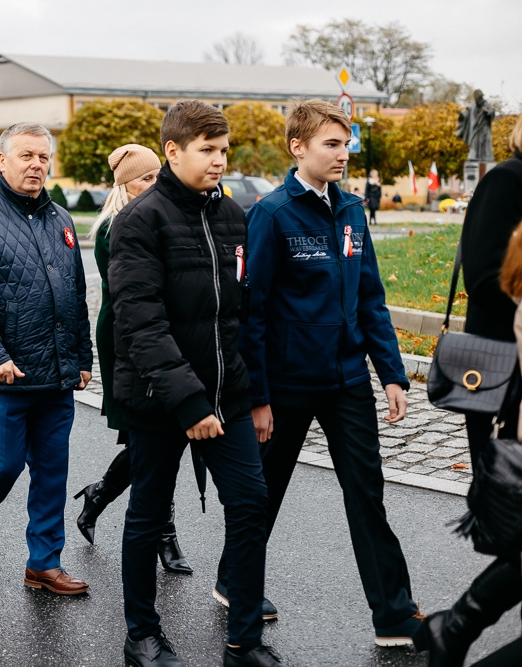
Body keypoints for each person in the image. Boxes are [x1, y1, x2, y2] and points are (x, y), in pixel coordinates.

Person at [238, 99, 422, 649]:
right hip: (287, 385)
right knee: (263, 494)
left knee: (367, 493)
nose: (343, 155)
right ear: (298, 147)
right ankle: (235, 581)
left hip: (347, 382)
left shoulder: (352, 210)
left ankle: (394, 614)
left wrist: (391, 374)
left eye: (346, 145)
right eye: (332, 144)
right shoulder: (271, 214)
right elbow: (252, 312)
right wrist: (258, 397)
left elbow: (371, 299)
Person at [108, 102, 278, 667]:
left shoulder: (231, 215)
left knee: (251, 504)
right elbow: (141, 322)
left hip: (228, 396)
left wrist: (255, 396)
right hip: (159, 399)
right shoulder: (140, 221)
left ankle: (245, 641)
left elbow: (241, 315)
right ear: (173, 151)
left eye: (223, 149)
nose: (219, 160)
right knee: (149, 514)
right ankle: (142, 636)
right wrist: (189, 401)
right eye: (207, 150)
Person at [0, 122, 93, 596]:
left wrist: (83, 356)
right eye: (26, 156)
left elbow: (76, 294)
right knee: (2, 465)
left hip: (56, 372)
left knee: (51, 472)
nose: (36, 165)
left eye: (43, 157)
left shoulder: (61, 219)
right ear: (2, 160)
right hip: (3, 372)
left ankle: (43, 564)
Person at [412, 115, 522, 667]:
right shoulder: (508, 179)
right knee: (514, 523)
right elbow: (483, 277)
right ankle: (454, 629)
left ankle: (453, 629)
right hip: (502, 379)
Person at [72, 143, 192, 576]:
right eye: (146, 178)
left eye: (158, 175)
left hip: (163, 332)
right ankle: (164, 533)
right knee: (153, 434)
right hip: (126, 336)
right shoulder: (114, 227)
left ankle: (100, 494)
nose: (156, 183)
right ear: (125, 185)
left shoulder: (163, 214)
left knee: (157, 436)